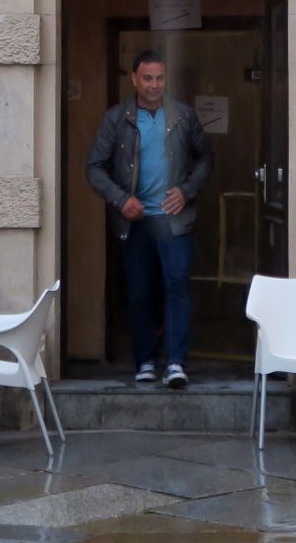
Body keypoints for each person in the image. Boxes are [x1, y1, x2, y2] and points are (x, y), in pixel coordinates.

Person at [84, 50, 212, 389]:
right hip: (136, 221)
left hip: (175, 220)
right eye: (148, 78)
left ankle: (176, 363)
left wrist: (186, 191)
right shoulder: (117, 119)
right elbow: (94, 167)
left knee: (176, 286)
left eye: (160, 78)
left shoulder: (182, 116)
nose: (154, 85)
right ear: (134, 79)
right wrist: (120, 199)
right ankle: (145, 361)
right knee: (140, 292)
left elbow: (205, 159)